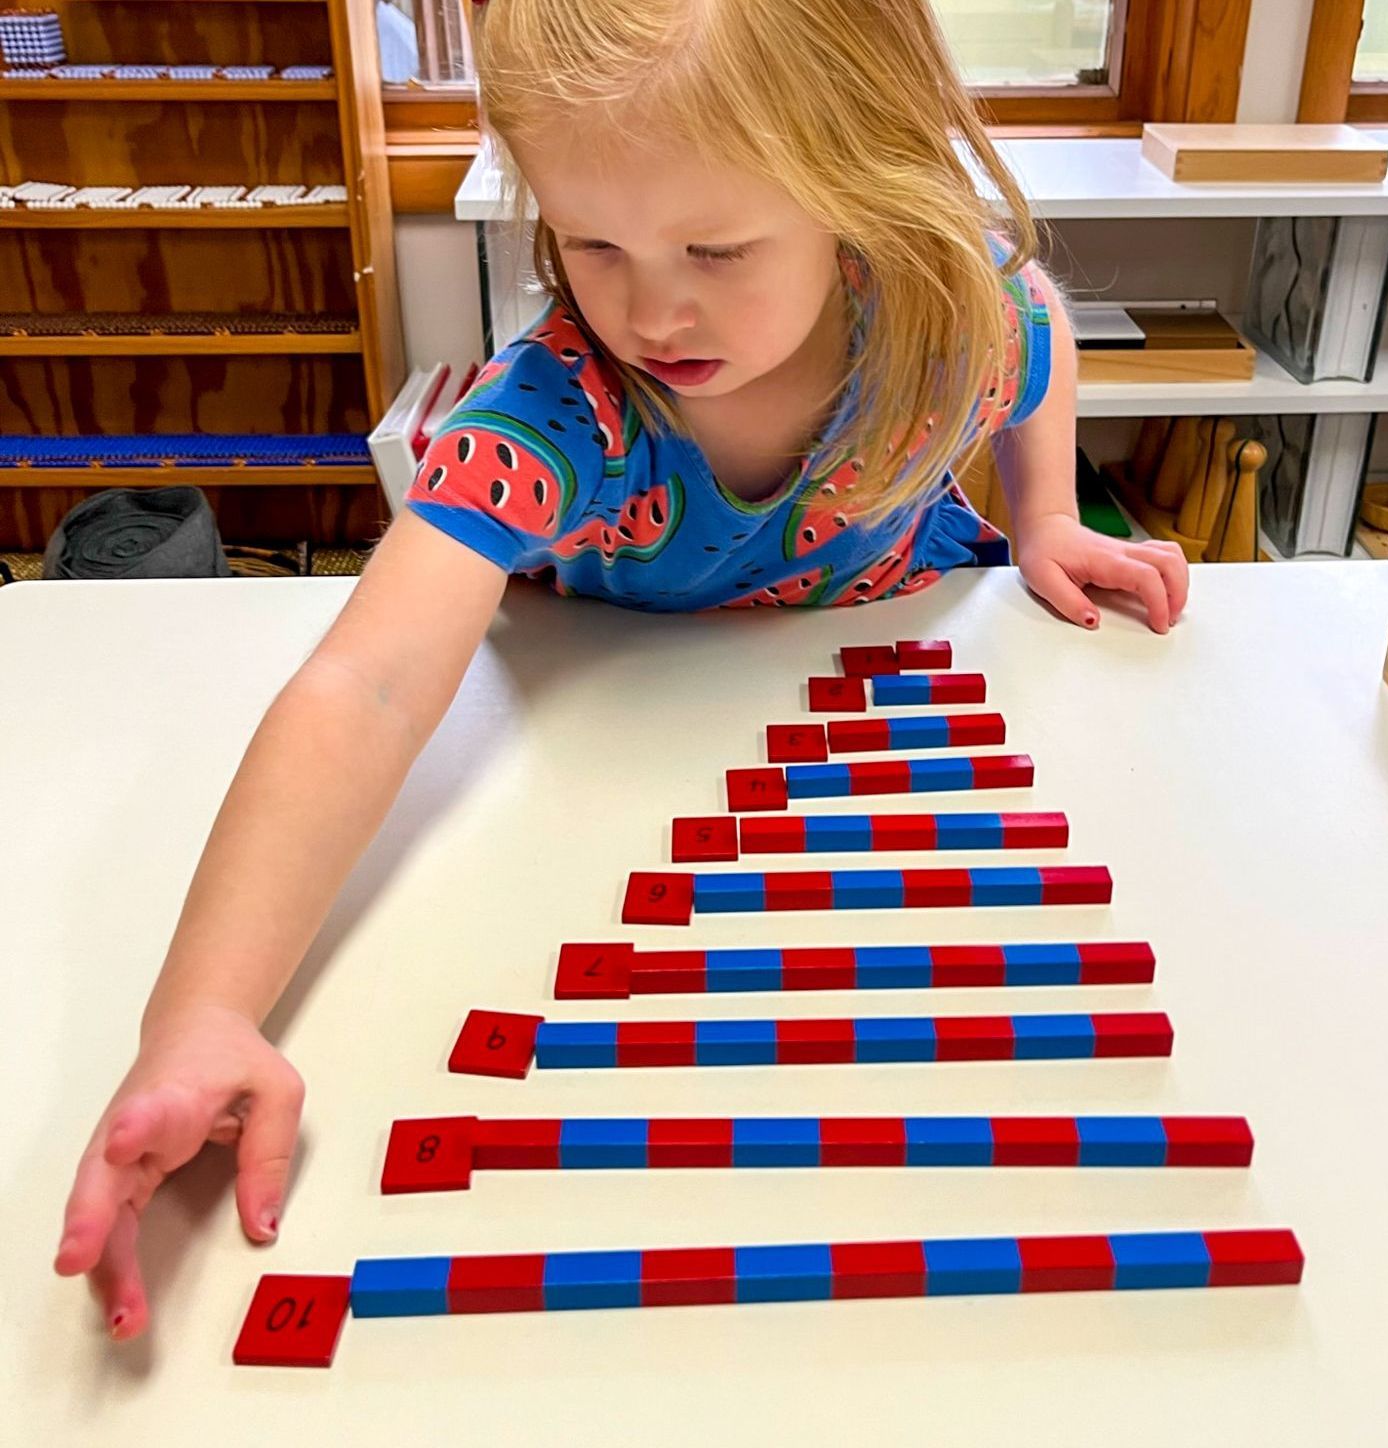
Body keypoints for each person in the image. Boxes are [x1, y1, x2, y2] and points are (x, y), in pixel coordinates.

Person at [54, 0, 1187, 1341]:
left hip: (865, 722)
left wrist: (1046, 512)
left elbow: (1032, 318)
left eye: (716, 246)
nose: (651, 307)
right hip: (610, 753)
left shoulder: (943, 313)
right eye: (592, 242)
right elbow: (361, 689)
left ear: (860, 189)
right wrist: (199, 1015)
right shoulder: (551, 416)